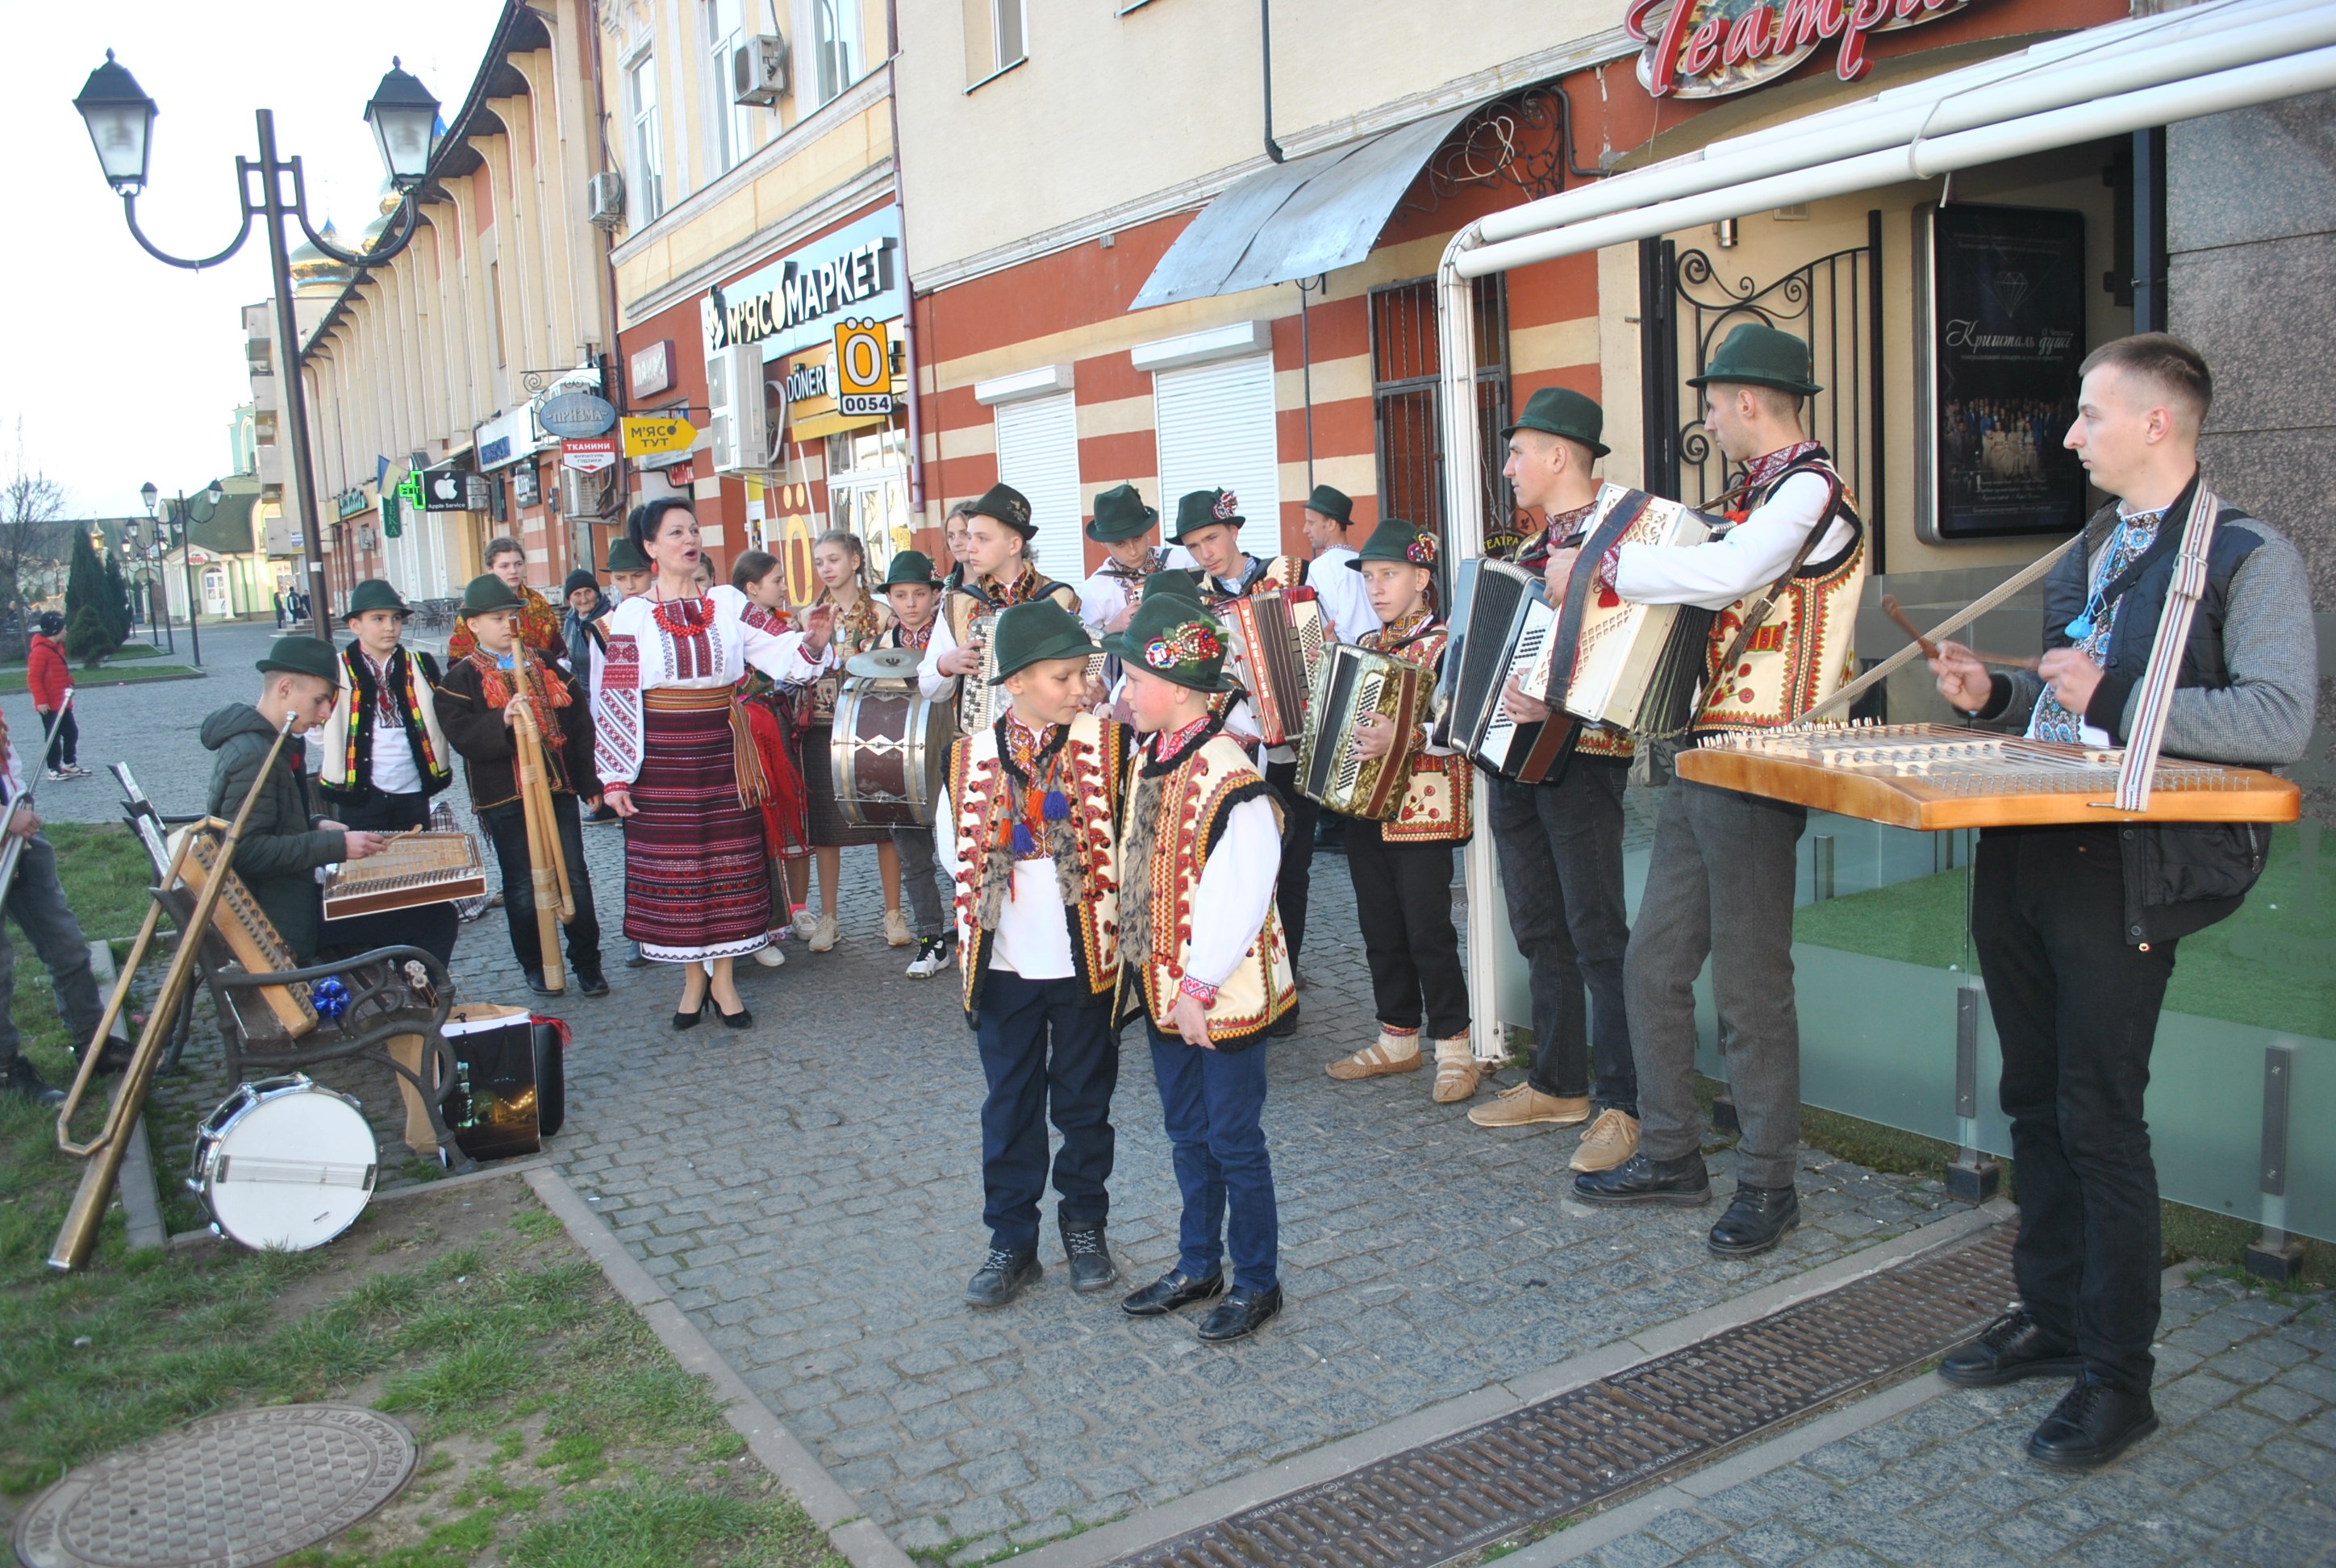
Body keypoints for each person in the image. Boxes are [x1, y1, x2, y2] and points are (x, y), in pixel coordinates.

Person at [1925, 334, 2314, 1471]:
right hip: (2026, 846)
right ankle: (2053, 1318)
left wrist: (2118, 691)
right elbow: (2067, 716)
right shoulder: (2091, 550)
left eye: (2090, 415)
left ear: (2159, 424)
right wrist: (1994, 693)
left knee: (2099, 1113)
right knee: (2034, 1096)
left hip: (2124, 864)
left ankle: (2119, 1378)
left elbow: (2278, 720)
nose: (2069, 435)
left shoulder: (2249, 556)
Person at [1562, 326, 1866, 1257]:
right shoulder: (1758, 493)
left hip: (1764, 762)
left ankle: (1769, 1183)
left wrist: (1620, 565)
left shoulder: (1812, 492)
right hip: (1705, 756)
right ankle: (1671, 1154)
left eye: (1710, 402)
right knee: (1653, 965)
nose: (1705, 419)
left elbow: (1733, 574)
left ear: (1744, 400)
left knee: (1748, 986)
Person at [1103, 591, 1293, 1342]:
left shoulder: (1228, 775)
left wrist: (1200, 987)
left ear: (1177, 687)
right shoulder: (1153, 753)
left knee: (1234, 1140)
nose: (1122, 697)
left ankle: (1257, 1280)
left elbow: (1242, 893)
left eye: (1133, 682)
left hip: (1216, 992)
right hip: (1164, 985)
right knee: (1186, 1133)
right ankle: (1197, 1262)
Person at [932, 600, 1133, 1307]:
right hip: (1005, 966)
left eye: (1083, 673)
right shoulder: (969, 757)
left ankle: (1085, 1224)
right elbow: (950, 849)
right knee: (1009, 1104)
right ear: (1014, 681)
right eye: (1063, 676)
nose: (1081, 687)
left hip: (1085, 963)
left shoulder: (1109, 749)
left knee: (1085, 1103)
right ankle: (1011, 1239)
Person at [1464, 389, 1642, 1175]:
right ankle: (1559, 1081)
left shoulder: (1627, 543)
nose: (1508, 469)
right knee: (1539, 926)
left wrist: (1555, 699)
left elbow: (1638, 659)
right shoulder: (1529, 555)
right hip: (1513, 758)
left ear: (1559, 456)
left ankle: (1623, 1104)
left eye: (1517, 453)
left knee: (1599, 935)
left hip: (1584, 759)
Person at [592, 498, 832, 1027]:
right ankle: (692, 979)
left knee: (729, 864)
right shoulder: (631, 614)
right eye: (675, 532)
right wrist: (613, 775)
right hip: (661, 758)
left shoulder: (726, 603)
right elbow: (614, 696)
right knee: (679, 868)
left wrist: (812, 641)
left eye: (694, 529)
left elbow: (781, 652)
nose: (689, 538)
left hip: (725, 750)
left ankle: (723, 981)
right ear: (651, 548)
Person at [1319, 519, 1478, 1101]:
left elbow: (1464, 725)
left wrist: (1404, 736)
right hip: (1365, 809)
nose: (1376, 587)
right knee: (1380, 928)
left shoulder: (1448, 643)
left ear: (1422, 577)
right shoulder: (1366, 648)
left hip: (1425, 808)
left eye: (1388, 575)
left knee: (1428, 931)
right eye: (1368, 578)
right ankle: (1398, 1039)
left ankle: (1456, 1048)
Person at [1171, 487, 1315, 1031]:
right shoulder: (1193, 598)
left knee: (1293, 870)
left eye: (1211, 538)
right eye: (1193, 545)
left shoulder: (1292, 573)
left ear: (1233, 529)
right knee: (1246, 871)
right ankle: (1241, 981)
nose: (1205, 553)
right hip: (1237, 750)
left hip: (1294, 743)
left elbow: (1327, 639)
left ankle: (1285, 984)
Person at [437, 573, 608, 999]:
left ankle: (587, 962)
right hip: (505, 797)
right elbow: (459, 733)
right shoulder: (460, 679)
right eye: (496, 618)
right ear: (473, 625)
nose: (507, 624)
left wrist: (588, 779)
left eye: (512, 615)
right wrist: (502, 721)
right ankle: (535, 964)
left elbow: (579, 722)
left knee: (575, 876)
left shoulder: (544, 663)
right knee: (519, 885)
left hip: (557, 788)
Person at [198, 638, 391, 969]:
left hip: (285, 900)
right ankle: (412, 1007)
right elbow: (245, 851)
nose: (326, 713)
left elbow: (268, 819)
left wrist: (314, 823)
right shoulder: (256, 755)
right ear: (285, 688)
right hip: (277, 922)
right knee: (429, 915)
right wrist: (333, 845)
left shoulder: (269, 742)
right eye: (319, 700)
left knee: (404, 905)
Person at [315, 579, 461, 969]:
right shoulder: (337, 669)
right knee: (368, 885)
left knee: (414, 881)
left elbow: (445, 712)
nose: (389, 627)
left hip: (412, 789)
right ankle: (374, 965)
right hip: (362, 793)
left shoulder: (419, 665)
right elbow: (318, 722)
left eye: (395, 618)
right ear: (355, 625)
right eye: (377, 618)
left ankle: (416, 964)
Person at [800, 530, 909, 953]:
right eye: (820, 561)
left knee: (885, 819)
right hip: (823, 727)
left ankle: (892, 913)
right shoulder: (810, 615)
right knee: (827, 826)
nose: (826, 568)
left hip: (871, 726)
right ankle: (829, 917)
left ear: (856, 561)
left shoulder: (882, 615)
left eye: (834, 559)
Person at [0, 707, 106, 1104]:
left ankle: (93, 1045)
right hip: (7, 826)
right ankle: (7, 1069)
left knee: (67, 947)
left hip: (18, 844)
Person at [920, 484, 1082, 738]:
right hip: (981, 746)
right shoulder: (958, 604)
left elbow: (1089, 676)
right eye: (970, 537)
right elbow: (929, 688)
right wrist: (945, 664)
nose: (970, 547)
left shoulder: (1060, 599)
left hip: (1053, 743)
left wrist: (1092, 687)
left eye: (982, 539)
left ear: (1014, 545)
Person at [877, 550, 957, 978]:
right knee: (914, 858)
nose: (910, 603)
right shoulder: (877, 649)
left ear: (934, 595)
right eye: (901, 594)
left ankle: (978, 928)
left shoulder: (951, 637)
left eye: (919, 594)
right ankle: (931, 940)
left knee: (960, 851)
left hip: (948, 755)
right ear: (889, 598)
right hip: (899, 769)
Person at [729, 548, 811, 969]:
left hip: (775, 731)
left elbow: (798, 666)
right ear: (749, 588)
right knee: (749, 829)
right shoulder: (731, 621)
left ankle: (784, 916)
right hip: (738, 736)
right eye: (777, 580)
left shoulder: (776, 627)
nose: (783, 587)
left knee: (779, 823)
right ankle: (750, 929)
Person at [1077, 483, 1195, 636]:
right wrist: (1112, 628)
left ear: (1147, 531)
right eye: (1120, 544)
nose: (1132, 551)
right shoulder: (1093, 591)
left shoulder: (1183, 560)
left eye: (1137, 538)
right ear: (1103, 542)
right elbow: (1086, 652)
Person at [448, 536, 566, 665]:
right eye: (504, 566)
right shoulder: (476, 608)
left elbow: (558, 651)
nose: (513, 571)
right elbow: (458, 661)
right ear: (490, 570)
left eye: (518, 564)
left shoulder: (538, 603)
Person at [1298, 485, 1378, 644]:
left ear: (1331, 525)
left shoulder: (1319, 567)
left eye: (1311, 523)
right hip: (1376, 651)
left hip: (1345, 657)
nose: (1305, 530)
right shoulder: (1364, 561)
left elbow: (1324, 624)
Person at [28, 613, 82, 781]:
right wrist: (41, 701)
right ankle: (53, 768)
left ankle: (69, 764)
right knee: (53, 736)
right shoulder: (40, 652)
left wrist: (69, 682)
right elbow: (34, 678)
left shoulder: (56, 648)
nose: (66, 631)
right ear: (56, 630)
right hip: (49, 704)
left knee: (71, 732)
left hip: (62, 701)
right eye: (64, 628)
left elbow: (59, 671)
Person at [561, 568, 611, 674]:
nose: (584, 600)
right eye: (577, 594)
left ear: (596, 593)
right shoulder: (570, 620)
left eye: (588, 592)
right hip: (578, 689)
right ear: (570, 598)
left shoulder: (606, 621)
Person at [604, 535, 652, 602]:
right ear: (612, 579)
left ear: (653, 573)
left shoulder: (667, 610)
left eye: (637, 576)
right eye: (620, 578)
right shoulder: (616, 612)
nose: (630, 586)